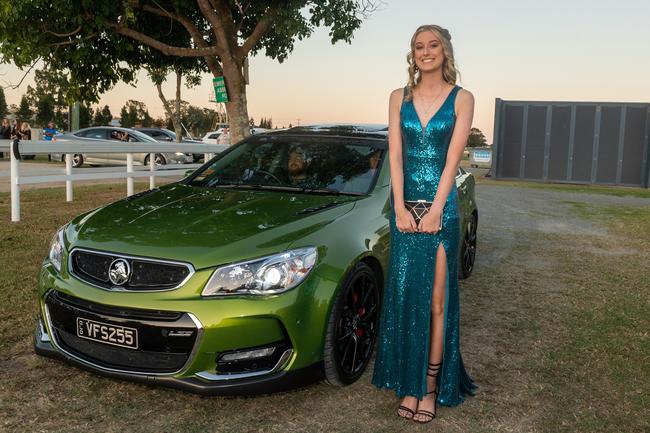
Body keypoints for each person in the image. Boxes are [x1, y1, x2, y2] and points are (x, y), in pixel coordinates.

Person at [371, 24, 476, 423]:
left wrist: (435, 211)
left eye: (433, 45)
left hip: (440, 211)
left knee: (435, 302)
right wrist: (397, 207)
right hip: (403, 209)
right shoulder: (399, 98)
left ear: (445, 52)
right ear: (412, 53)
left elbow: (452, 161)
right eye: (419, 46)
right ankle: (408, 386)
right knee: (403, 296)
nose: (426, 52)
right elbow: (394, 157)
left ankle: (430, 389)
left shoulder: (463, 98)